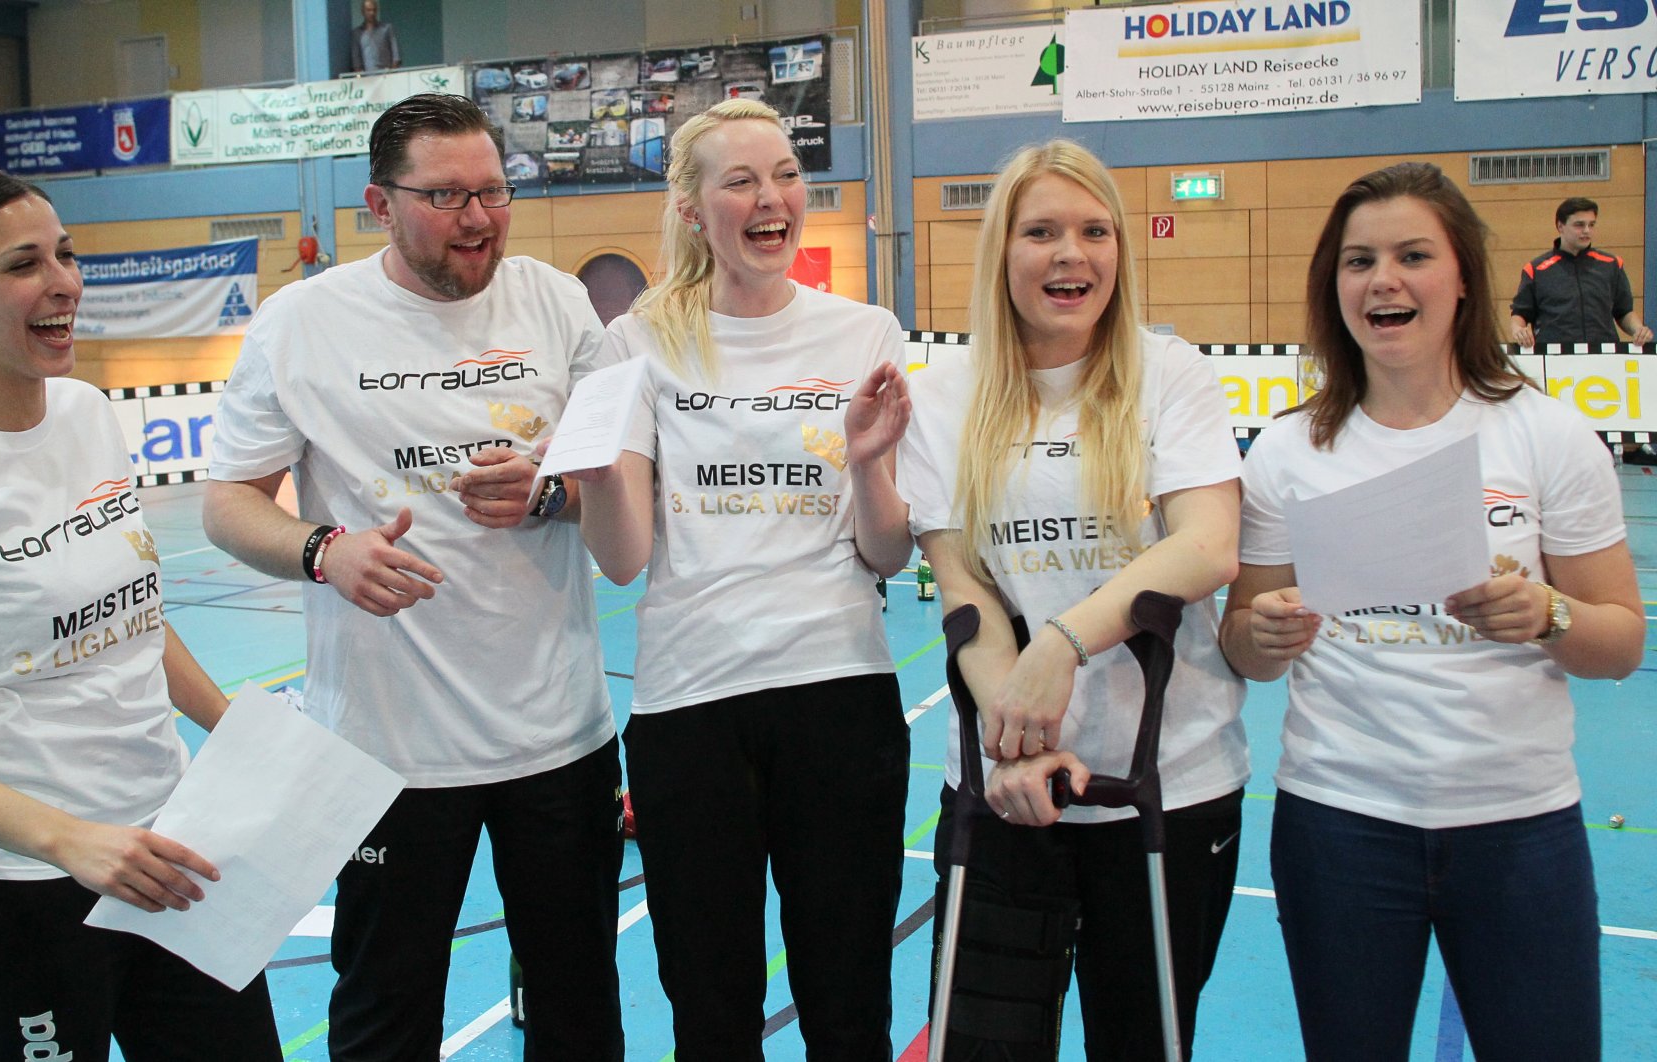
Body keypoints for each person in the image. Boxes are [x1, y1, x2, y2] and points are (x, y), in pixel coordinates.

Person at [200, 93, 622, 1062]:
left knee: (578, 1007)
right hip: (382, 754)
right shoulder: (302, 324)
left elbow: (618, 477)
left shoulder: (557, 305)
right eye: (446, 197)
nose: (478, 219)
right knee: (384, 1015)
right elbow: (229, 503)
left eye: (493, 193)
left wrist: (552, 494)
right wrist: (323, 551)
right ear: (378, 204)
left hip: (557, 739)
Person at [0, 170, 280, 1062]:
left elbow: (131, 616)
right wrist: (67, 840)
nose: (63, 280)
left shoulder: (86, 415)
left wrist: (234, 726)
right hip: (8, 890)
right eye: (24, 263)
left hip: (170, 849)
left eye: (65, 254)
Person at [1221, 162, 1645, 1062]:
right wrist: (1260, 634)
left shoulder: (1546, 433)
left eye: (1414, 255)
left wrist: (1547, 615)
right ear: (1332, 286)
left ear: (1462, 278)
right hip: (1339, 822)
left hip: (1519, 825)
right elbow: (1245, 647)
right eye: (1358, 260)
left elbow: (1619, 642)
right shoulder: (1290, 450)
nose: (1385, 279)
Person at [572, 99, 913, 1059]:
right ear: (691, 209)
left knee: (849, 1007)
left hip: (840, 691)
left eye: (787, 176)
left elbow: (887, 554)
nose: (772, 199)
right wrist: (599, 472)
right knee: (711, 1014)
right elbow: (624, 559)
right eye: (741, 181)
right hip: (692, 707)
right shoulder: (637, 343)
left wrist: (871, 463)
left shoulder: (865, 330)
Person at [896, 139, 1249, 1061]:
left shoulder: (1171, 376)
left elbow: (1207, 544)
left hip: (1170, 787)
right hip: (1005, 794)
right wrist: (1015, 731)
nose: (1072, 255)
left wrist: (1060, 645)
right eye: (1042, 231)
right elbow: (961, 582)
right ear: (1001, 252)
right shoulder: (945, 400)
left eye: (1095, 232)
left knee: (1144, 1040)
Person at [1508, 195, 1651, 349]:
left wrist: (1638, 329)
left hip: (1604, 357)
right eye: (1579, 225)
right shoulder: (1536, 269)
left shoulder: (1612, 264)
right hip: (1555, 358)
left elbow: (1624, 312)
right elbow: (1520, 314)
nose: (1586, 231)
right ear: (1560, 226)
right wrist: (1519, 330)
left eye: (1591, 224)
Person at [349, 0, 399, 72]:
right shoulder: (357, 33)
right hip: (367, 78)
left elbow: (396, 56)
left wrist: (391, 74)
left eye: (374, 10)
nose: (372, 13)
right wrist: (360, 77)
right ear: (363, 12)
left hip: (387, 75)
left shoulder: (387, 29)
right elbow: (356, 61)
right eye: (368, 10)